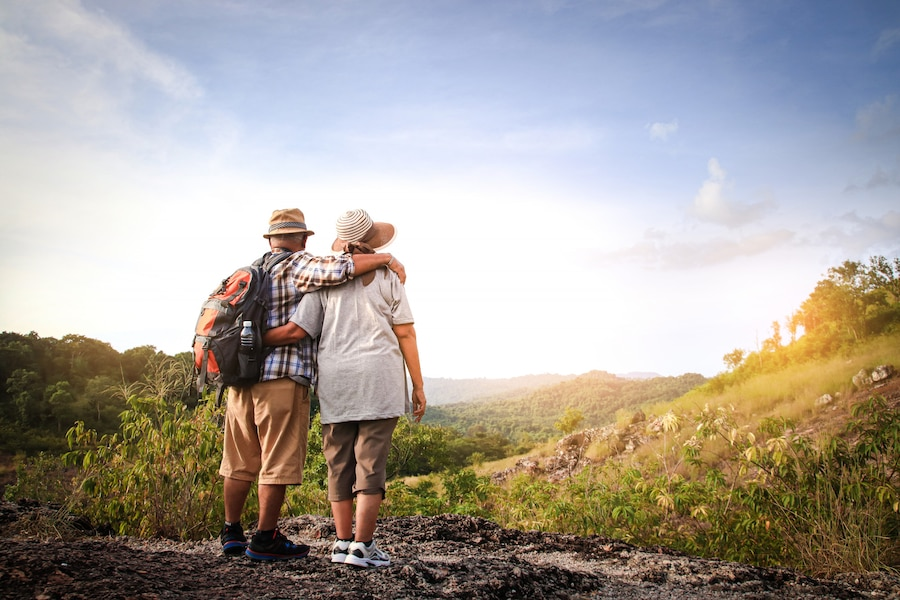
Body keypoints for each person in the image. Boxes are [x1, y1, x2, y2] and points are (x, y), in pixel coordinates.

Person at [218, 208, 406, 561]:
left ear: (270, 239)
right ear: (303, 238)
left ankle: (231, 533)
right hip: (279, 377)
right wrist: (388, 258)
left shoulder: (252, 269)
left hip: (240, 378)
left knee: (239, 460)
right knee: (277, 460)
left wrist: (247, 343)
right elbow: (341, 269)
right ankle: (265, 538)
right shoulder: (298, 264)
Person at [263, 208, 426, 568]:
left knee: (339, 463)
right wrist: (418, 384)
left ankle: (341, 543)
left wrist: (248, 341)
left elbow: (299, 329)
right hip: (379, 378)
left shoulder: (325, 282)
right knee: (371, 463)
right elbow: (405, 332)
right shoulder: (388, 276)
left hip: (335, 381)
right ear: (374, 240)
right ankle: (363, 547)